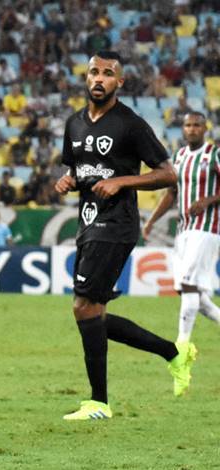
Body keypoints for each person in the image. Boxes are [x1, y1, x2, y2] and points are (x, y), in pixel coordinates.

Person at [53, 51, 194, 420]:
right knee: (91, 312)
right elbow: (77, 169)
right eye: (94, 72)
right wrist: (67, 181)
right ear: (86, 78)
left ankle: (99, 403)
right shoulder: (74, 124)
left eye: (108, 74)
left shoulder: (130, 124)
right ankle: (173, 353)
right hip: (88, 222)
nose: (99, 79)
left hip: (117, 225)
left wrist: (122, 181)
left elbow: (168, 174)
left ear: (121, 82)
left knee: (83, 307)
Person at [144, 112, 220, 352]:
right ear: (183, 129)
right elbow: (171, 194)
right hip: (184, 229)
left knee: (188, 285)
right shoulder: (179, 157)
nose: (192, 129)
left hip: (208, 228)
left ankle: (182, 346)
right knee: (190, 292)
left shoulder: (214, 154)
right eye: (188, 125)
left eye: (197, 125)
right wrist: (151, 221)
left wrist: (208, 200)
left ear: (205, 128)